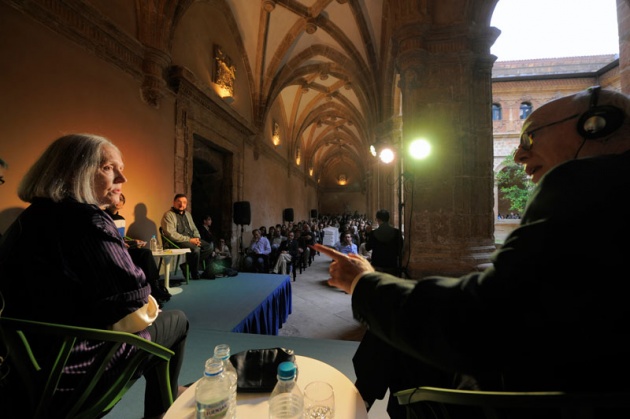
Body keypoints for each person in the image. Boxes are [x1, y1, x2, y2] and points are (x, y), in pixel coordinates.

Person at [312, 86, 630, 417]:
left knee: (396, 324)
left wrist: (361, 282)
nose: (519, 155)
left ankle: (358, 400)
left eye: (530, 137)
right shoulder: (606, 192)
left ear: (595, 125)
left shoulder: (586, 190)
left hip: (524, 398)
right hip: (547, 372)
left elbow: (476, 322)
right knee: (392, 324)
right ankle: (360, 398)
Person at [0, 134, 189, 418]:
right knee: (177, 321)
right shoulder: (88, 219)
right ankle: (163, 408)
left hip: (22, 373)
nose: (122, 178)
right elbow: (134, 303)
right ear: (75, 171)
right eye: (108, 167)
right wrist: (147, 301)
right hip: (74, 369)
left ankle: (170, 393)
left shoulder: (27, 218)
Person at [105, 194, 171, 305]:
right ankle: (151, 290)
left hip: (122, 248)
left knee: (146, 253)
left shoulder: (121, 219)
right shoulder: (103, 217)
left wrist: (133, 242)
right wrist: (123, 243)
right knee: (142, 256)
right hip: (111, 251)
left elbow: (121, 238)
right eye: (116, 198)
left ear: (123, 204)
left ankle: (154, 286)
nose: (118, 201)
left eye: (121, 199)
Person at [161, 194, 215, 279]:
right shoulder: (168, 215)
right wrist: (190, 240)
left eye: (184, 202)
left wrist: (197, 238)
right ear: (174, 202)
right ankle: (194, 273)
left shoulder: (188, 214)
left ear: (186, 204)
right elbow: (171, 234)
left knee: (209, 247)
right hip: (177, 241)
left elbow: (194, 228)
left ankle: (186, 265)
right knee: (195, 249)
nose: (181, 204)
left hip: (191, 239)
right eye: (179, 202)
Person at [366, 209, 402, 276]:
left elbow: (367, 247)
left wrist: (368, 234)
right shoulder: (397, 232)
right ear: (388, 219)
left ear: (378, 219)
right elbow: (400, 248)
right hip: (392, 264)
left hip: (377, 264)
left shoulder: (373, 233)